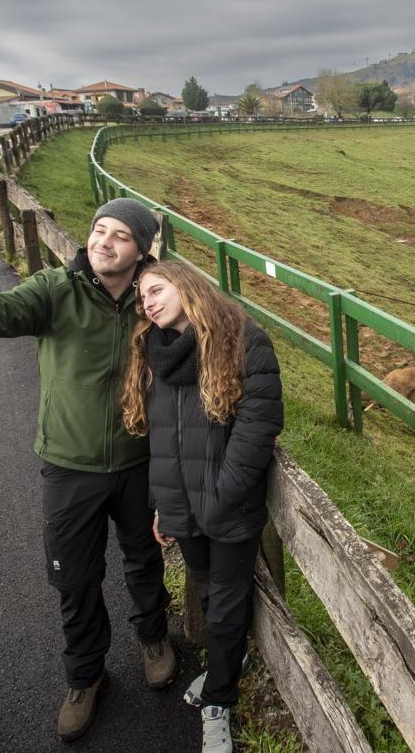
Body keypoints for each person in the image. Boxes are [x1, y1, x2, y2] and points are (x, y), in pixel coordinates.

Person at [0, 198, 176, 742]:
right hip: (70, 466)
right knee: (75, 580)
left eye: (120, 235)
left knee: (144, 559)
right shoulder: (55, 291)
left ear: (141, 249)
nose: (103, 242)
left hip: (139, 463)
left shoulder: (153, 300)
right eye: (98, 230)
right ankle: (85, 676)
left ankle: (155, 638)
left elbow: (205, 329)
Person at [121, 261, 283, 753]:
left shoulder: (243, 340)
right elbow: (164, 443)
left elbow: (258, 427)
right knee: (210, 595)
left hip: (228, 507)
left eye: (155, 288)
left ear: (187, 285)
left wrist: (222, 495)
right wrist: (163, 508)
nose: (146, 301)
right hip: (183, 509)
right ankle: (227, 665)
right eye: (140, 297)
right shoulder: (156, 352)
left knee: (228, 602)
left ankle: (220, 700)